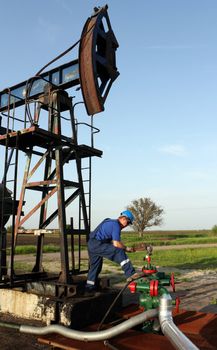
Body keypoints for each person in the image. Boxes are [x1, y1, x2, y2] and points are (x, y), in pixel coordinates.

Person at [85, 210, 141, 294]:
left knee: (95, 267)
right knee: (119, 251)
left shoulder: (110, 222)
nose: (127, 225)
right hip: (97, 244)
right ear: (123, 218)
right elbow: (116, 244)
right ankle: (130, 273)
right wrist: (127, 248)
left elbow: (110, 240)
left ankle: (89, 288)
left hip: (91, 244)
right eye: (128, 222)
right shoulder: (116, 225)